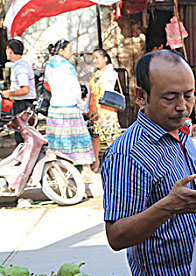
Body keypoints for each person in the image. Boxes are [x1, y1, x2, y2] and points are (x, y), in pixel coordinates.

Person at [101, 49, 196, 276]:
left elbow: (187, 207)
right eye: (169, 98)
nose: (182, 107)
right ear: (140, 96)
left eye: (188, 96)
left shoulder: (183, 135)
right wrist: (169, 206)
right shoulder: (128, 153)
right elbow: (116, 236)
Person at [45, 39, 95, 178]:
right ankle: (86, 169)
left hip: (55, 107)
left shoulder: (49, 66)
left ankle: (62, 168)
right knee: (79, 138)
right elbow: (75, 88)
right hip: (69, 107)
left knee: (59, 140)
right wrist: (80, 103)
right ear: (61, 51)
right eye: (69, 49)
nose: (72, 52)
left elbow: (48, 85)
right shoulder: (67, 66)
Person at [84, 48, 122, 172]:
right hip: (94, 110)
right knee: (95, 137)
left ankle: (118, 163)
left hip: (106, 111)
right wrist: (85, 108)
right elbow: (90, 93)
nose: (95, 61)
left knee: (110, 138)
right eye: (93, 58)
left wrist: (109, 67)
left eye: (97, 58)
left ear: (105, 59)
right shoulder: (94, 74)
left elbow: (107, 84)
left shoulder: (110, 72)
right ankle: (96, 162)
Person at [1, 39, 37, 144]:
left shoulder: (20, 67)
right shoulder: (19, 65)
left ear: (9, 50)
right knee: (23, 134)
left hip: (23, 104)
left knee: (23, 137)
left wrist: (9, 93)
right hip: (22, 104)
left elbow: (25, 89)